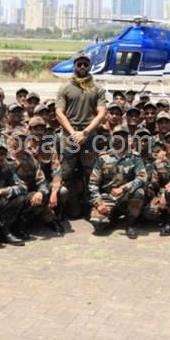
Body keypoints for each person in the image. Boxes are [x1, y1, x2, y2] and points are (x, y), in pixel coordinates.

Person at [55, 52, 107, 218]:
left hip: (89, 135)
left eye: (86, 64)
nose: (83, 67)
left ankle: (90, 205)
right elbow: (59, 113)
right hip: (69, 135)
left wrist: (85, 132)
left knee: (90, 174)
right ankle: (63, 208)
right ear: (74, 66)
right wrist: (73, 133)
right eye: (79, 64)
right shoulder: (65, 88)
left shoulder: (97, 88)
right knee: (66, 173)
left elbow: (101, 113)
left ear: (90, 66)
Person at [88, 125, 146, 239]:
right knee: (98, 224)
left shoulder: (135, 157)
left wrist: (124, 188)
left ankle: (129, 223)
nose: (120, 138)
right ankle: (112, 215)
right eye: (117, 135)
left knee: (139, 192)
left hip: (126, 196)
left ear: (127, 138)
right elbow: (93, 183)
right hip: (107, 197)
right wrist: (98, 203)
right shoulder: (103, 158)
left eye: (123, 135)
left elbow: (142, 177)